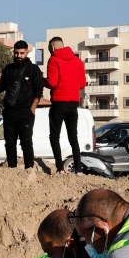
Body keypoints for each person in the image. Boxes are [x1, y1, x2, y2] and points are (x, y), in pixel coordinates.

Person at [0, 41, 43, 169]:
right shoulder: (8, 69)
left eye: (22, 53)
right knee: (9, 143)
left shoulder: (34, 69)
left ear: (27, 53)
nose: (19, 55)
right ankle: (12, 169)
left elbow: (38, 91)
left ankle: (29, 169)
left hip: (26, 112)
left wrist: (32, 109)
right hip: (10, 112)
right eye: (16, 53)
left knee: (26, 143)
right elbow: (1, 89)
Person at [45, 37, 85, 174]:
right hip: (73, 104)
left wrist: (41, 81)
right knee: (73, 137)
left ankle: (60, 169)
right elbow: (82, 85)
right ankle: (78, 169)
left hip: (58, 104)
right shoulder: (78, 62)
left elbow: (52, 83)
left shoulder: (53, 60)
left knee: (54, 136)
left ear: (53, 47)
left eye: (49, 49)